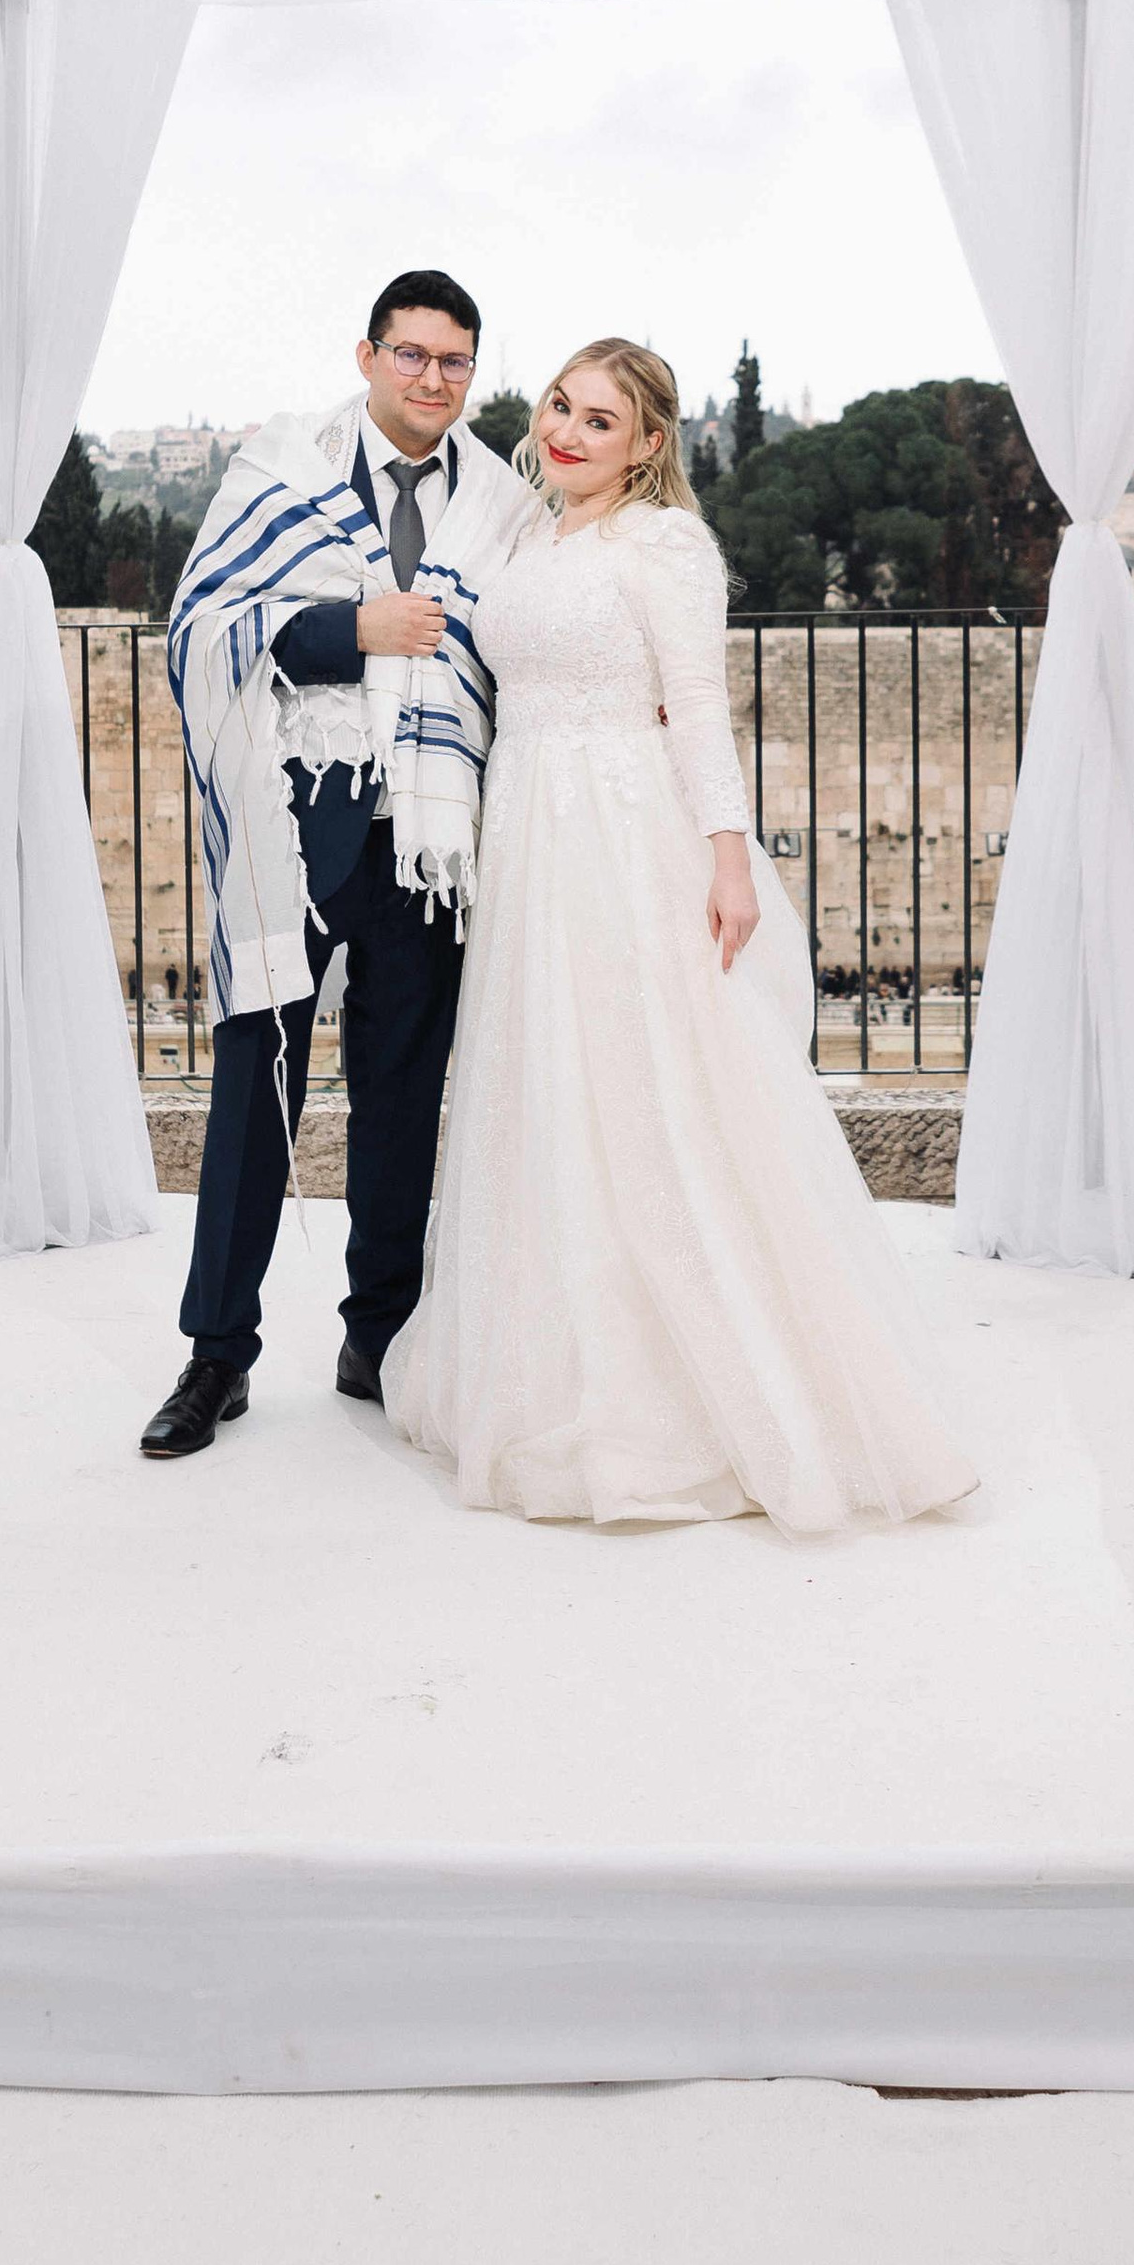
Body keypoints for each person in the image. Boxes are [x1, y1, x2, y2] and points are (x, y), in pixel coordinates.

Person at [386, 338, 977, 1534]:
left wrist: (724, 852)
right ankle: (559, 1363)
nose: (566, 431)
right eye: (560, 405)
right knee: (550, 1091)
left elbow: (699, 702)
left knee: (651, 1088)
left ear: (650, 446)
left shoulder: (665, 546)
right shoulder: (524, 536)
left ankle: (710, 1394)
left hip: (620, 831)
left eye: (601, 421)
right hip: (532, 832)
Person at [145, 270, 536, 1458]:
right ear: (367, 355)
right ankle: (217, 1355)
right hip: (295, 817)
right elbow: (202, 624)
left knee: (402, 1099)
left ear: (473, 373)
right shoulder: (283, 471)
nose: (431, 378)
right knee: (253, 1097)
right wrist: (346, 630)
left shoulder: (501, 502)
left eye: (454, 361)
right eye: (411, 355)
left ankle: (383, 1335)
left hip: (429, 843)